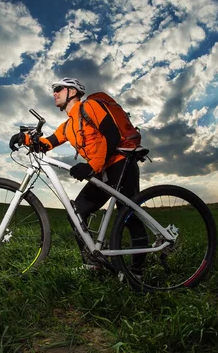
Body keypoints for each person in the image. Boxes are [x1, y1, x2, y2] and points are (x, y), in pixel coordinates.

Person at [9, 77, 147, 271]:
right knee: (77, 212)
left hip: (121, 164)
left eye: (58, 88)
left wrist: (91, 166)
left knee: (129, 216)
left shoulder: (89, 107)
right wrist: (24, 138)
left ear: (72, 92)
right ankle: (94, 264)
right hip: (102, 170)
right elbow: (46, 144)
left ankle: (137, 273)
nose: (54, 93)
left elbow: (112, 134)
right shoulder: (68, 125)